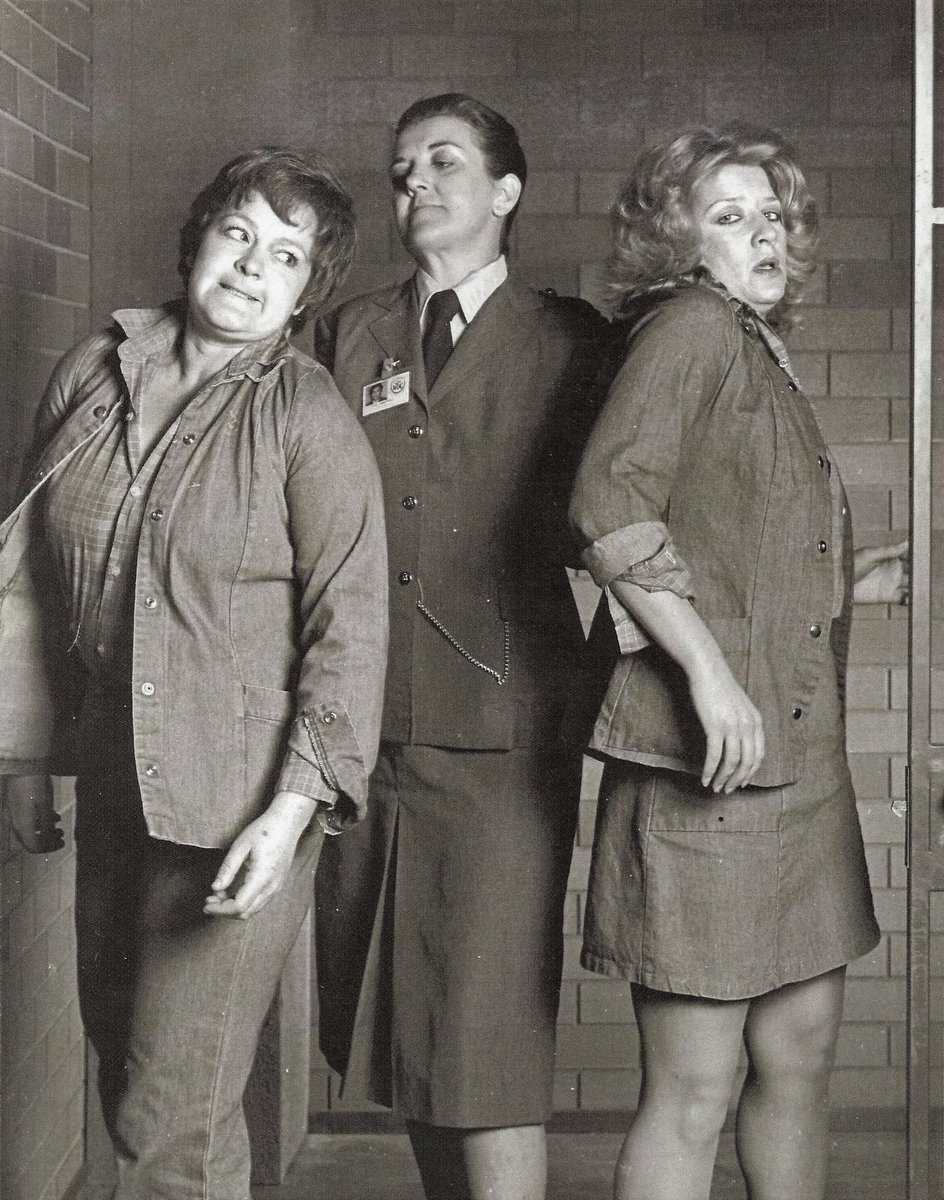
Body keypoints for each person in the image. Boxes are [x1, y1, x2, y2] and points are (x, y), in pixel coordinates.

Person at [0, 147, 388, 1200]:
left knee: (169, 1114)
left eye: (287, 255)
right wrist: (25, 760)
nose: (254, 265)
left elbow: (350, 630)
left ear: (307, 290)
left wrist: (291, 813)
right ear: (198, 239)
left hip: (238, 804)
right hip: (116, 774)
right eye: (239, 232)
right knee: (131, 1070)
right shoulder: (97, 368)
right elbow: (27, 575)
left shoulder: (306, 416)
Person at [568, 123, 908, 1200]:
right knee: (694, 1090)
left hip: (798, 776)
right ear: (678, 240)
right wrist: (709, 678)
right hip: (707, 770)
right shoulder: (691, 327)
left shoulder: (752, 345)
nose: (762, 233)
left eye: (771, 214)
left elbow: (723, 538)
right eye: (728, 216)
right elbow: (607, 505)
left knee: (799, 1061)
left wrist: (847, 581)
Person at [313, 94, 605, 1200]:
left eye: (443, 162)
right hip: (364, 726)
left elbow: (643, 500)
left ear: (506, 190)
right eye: (402, 169)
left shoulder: (572, 339)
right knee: (407, 1036)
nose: (416, 183)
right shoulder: (345, 333)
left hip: (504, 731)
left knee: (485, 1035)